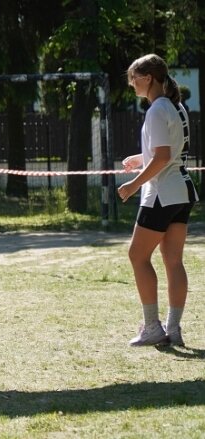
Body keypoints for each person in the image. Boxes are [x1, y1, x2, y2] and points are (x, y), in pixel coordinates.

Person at [117, 54, 199, 347]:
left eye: (133, 79)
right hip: (182, 191)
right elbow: (168, 153)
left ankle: (153, 327)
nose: (131, 84)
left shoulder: (156, 110)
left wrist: (132, 185)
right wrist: (139, 159)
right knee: (173, 261)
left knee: (137, 256)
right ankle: (173, 330)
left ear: (148, 77)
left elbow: (163, 157)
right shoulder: (176, 107)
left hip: (161, 193)